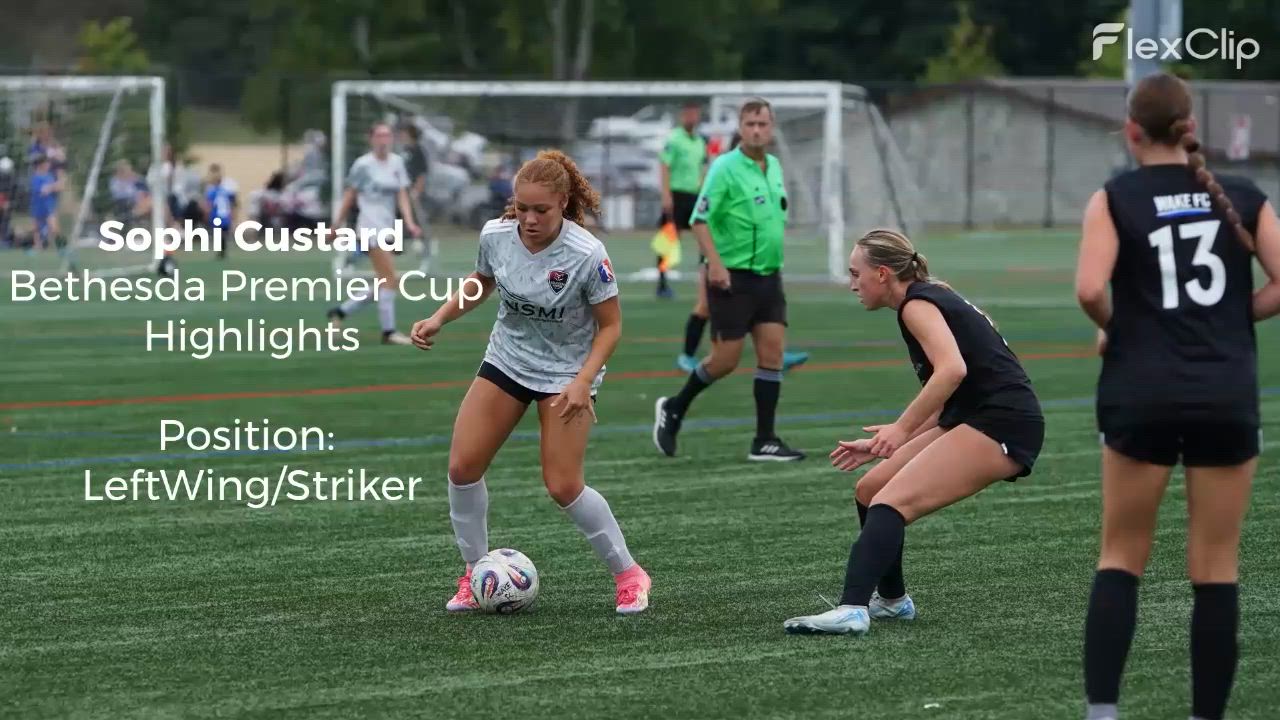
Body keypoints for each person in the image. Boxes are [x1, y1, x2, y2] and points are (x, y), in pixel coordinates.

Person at [1076, 73, 1280, 720]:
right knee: (1215, 565)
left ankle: (1103, 712)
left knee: (1121, 555)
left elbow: (1089, 290)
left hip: (1142, 388)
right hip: (1225, 391)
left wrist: (1119, 327)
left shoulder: (1114, 197)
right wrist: (1231, 315)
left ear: (1131, 131)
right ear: (1189, 128)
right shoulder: (1244, 196)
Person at [410, 149, 651, 615]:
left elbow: (611, 327)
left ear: (562, 203)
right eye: (522, 208)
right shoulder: (496, 236)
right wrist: (439, 317)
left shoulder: (587, 254)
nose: (529, 219)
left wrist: (583, 381)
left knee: (563, 485)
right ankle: (474, 574)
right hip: (507, 360)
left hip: (567, 374)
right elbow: (482, 281)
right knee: (462, 468)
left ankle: (629, 575)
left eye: (541, 209)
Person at [782, 228, 1044, 636]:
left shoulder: (916, 305)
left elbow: (952, 371)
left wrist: (901, 428)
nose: (852, 284)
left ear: (882, 274)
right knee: (870, 490)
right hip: (973, 414)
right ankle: (892, 601)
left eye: (855, 274)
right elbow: (949, 395)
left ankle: (852, 609)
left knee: (891, 502)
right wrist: (887, 441)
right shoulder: (927, 296)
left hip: (1003, 421)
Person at [652, 98, 805, 462]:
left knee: (772, 354)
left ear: (771, 128)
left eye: (762, 124)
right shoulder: (724, 167)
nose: (756, 130)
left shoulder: (774, 166)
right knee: (725, 360)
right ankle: (674, 407)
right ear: (740, 127)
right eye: (750, 124)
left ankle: (764, 440)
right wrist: (715, 265)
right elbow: (700, 219)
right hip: (731, 278)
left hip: (769, 276)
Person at [325, 122, 423, 345]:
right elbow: (349, 196)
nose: (384, 139)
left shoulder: (396, 162)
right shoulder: (363, 165)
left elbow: (402, 195)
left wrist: (409, 222)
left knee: (384, 280)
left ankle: (340, 312)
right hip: (368, 227)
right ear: (371, 139)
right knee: (389, 278)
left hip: (388, 227)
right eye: (379, 135)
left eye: (387, 135)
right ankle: (388, 332)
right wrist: (335, 225)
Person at [657, 100, 706, 302]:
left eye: (695, 114)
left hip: (695, 196)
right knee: (668, 241)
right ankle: (662, 284)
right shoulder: (674, 139)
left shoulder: (700, 141)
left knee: (705, 238)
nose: (692, 117)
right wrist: (666, 195)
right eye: (688, 114)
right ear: (682, 116)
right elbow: (664, 165)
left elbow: (702, 168)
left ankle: (706, 280)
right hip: (677, 195)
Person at [398, 122, 437, 273]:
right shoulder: (404, 150)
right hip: (403, 193)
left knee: (420, 223)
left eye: (404, 132)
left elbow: (421, 174)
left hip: (414, 194)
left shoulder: (418, 151)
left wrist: (416, 192)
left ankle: (426, 254)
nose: (401, 135)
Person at [202, 163, 238, 260]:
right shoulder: (224, 190)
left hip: (217, 215)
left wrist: (207, 213)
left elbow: (209, 204)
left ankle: (221, 251)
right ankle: (222, 250)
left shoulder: (213, 190)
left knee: (219, 234)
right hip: (224, 215)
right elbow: (232, 202)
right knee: (222, 234)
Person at [28, 154, 62, 251]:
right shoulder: (35, 177)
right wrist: (53, 186)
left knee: (54, 227)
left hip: (48, 205)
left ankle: (60, 245)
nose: (48, 165)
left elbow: (56, 188)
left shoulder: (49, 176)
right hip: (37, 205)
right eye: (46, 163)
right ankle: (38, 246)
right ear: (41, 164)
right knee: (36, 228)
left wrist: (52, 187)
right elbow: (43, 190)